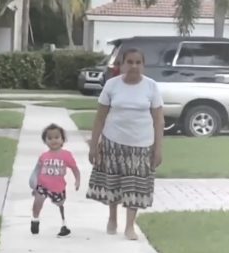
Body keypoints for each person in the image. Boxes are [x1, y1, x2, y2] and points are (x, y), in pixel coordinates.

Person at [86, 48, 165, 241]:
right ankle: (112, 218)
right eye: (129, 62)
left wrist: (158, 148)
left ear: (143, 65)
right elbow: (100, 117)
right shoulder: (112, 85)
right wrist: (94, 145)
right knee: (113, 183)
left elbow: (159, 120)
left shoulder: (151, 87)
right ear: (122, 65)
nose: (134, 66)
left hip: (142, 145)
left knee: (136, 186)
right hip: (113, 142)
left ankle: (130, 226)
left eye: (138, 62)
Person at [30, 123, 81, 237]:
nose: (54, 140)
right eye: (50, 138)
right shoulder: (43, 156)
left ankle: (63, 224)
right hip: (42, 185)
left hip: (58, 188)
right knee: (37, 202)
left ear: (63, 139)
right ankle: (35, 220)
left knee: (60, 204)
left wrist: (77, 180)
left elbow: (75, 169)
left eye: (57, 137)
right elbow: (37, 170)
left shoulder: (66, 155)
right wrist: (34, 183)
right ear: (45, 141)